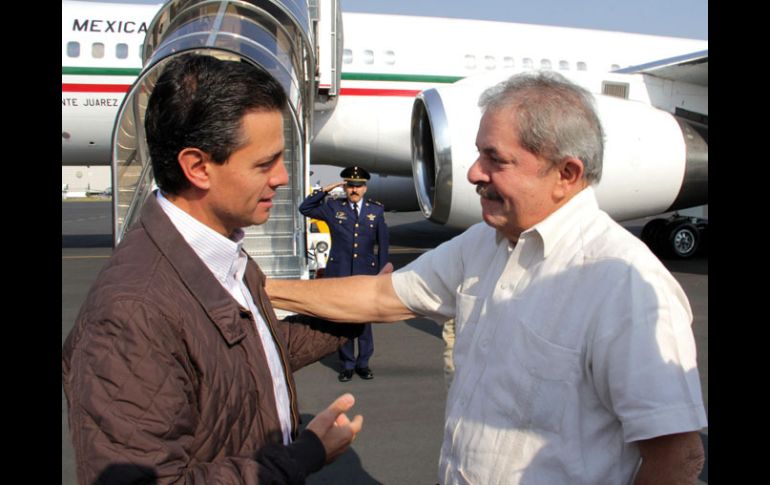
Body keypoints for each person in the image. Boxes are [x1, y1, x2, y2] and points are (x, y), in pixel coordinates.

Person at [266, 71, 707, 484]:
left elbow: (676, 455)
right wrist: (263, 290)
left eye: (495, 159)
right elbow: (382, 295)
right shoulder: (484, 243)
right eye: (479, 154)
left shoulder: (626, 285)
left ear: (566, 174)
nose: (475, 173)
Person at [61, 53, 365, 484]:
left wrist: (364, 308)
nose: (282, 177)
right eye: (265, 163)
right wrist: (304, 455)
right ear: (198, 167)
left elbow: (251, 353)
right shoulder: (132, 313)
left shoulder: (218, 252)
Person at [298, 166, 389, 382]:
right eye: (350, 185)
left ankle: (363, 363)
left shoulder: (375, 211)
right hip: (339, 274)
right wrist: (325, 190)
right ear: (345, 187)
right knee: (343, 320)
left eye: (358, 186)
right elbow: (305, 208)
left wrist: (383, 272)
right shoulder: (333, 207)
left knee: (364, 321)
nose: (354, 189)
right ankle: (347, 363)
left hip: (365, 275)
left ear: (365, 188)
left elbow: (383, 245)